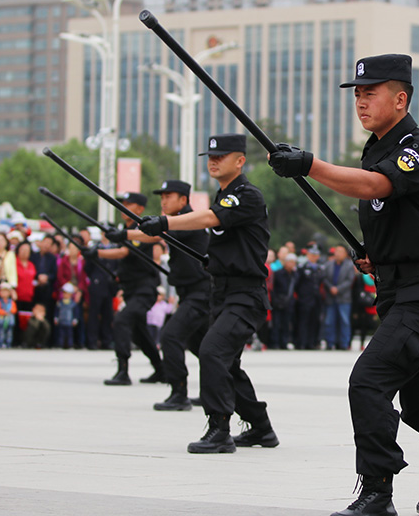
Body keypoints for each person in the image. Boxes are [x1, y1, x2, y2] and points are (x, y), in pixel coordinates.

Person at [268, 53, 419, 516]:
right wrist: (376, 255)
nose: (361, 101)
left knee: (368, 381)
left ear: (401, 97)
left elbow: (375, 187)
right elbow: (395, 217)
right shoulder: (376, 148)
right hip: (398, 291)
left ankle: (377, 494)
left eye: (370, 92)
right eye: (357, 93)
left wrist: (310, 164)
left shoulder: (417, 147)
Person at [138, 133, 277, 454]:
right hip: (222, 292)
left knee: (212, 351)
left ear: (240, 161)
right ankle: (261, 427)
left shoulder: (246, 195)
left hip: (245, 294)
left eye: (221, 156)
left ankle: (219, 428)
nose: (213, 161)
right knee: (226, 363)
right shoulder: (223, 196)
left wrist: (165, 222)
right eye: (210, 157)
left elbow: (211, 218)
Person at [108, 179, 212, 412]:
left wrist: (125, 234)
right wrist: (126, 234)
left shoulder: (188, 221)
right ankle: (214, 391)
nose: (163, 201)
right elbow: (156, 232)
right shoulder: (177, 222)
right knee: (203, 345)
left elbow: (156, 235)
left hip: (200, 293)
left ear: (183, 200)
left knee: (170, 336)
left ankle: (179, 393)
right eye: (161, 197)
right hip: (190, 293)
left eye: (168, 196)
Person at [90, 193, 164, 386]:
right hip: (131, 288)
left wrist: (97, 252)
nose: (124, 207)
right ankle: (161, 369)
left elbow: (125, 251)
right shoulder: (126, 228)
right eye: (122, 204)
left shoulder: (141, 228)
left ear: (140, 208)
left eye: (129, 204)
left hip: (144, 289)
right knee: (140, 333)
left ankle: (123, 371)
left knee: (122, 321)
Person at [85, 233, 117, 350]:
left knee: (108, 315)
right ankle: (92, 341)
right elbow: (88, 267)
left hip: (109, 285)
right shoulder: (95, 248)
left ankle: (106, 340)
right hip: (97, 284)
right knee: (94, 314)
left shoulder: (115, 248)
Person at [322, 245, 356, 350]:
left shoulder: (349, 265)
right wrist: (331, 288)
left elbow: (349, 280)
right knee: (329, 321)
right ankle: (330, 342)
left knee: (344, 321)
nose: (338, 253)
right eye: (336, 251)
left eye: (340, 251)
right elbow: (324, 278)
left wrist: (338, 289)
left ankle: (344, 343)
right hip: (330, 297)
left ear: (345, 254)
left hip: (344, 298)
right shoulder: (328, 264)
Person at [294, 245, 325, 350]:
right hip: (305, 299)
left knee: (314, 321)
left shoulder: (320, 268)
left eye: (315, 255)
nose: (313, 257)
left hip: (316, 299)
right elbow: (297, 284)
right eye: (311, 255)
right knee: (303, 321)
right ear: (308, 255)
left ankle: (311, 342)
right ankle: (302, 342)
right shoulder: (302, 268)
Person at [270, 253, 298, 349]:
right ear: (285, 263)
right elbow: (273, 288)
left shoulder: (295, 275)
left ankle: (284, 342)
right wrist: (275, 301)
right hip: (278, 302)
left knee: (286, 324)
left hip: (289, 302)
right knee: (276, 323)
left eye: (293, 262)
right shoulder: (278, 273)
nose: (291, 264)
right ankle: (275, 343)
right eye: (290, 262)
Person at [55, 283, 79, 349]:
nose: (65, 295)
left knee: (70, 335)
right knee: (60, 335)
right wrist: (56, 318)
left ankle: (70, 345)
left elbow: (75, 313)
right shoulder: (59, 303)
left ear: (71, 294)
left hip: (69, 322)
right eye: (64, 293)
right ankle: (60, 345)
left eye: (66, 293)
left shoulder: (73, 304)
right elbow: (57, 311)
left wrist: (75, 319)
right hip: (61, 321)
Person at [0, 282, 17, 349]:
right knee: (1, 333)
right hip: (1, 321)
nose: (4, 293)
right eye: (3, 291)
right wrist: (3, 312)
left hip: (9, 321)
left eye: (6, 292)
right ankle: (1, 343)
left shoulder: (11, 302)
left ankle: (8, 344)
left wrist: (10, 311)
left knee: (9, 333)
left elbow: (14, 309)